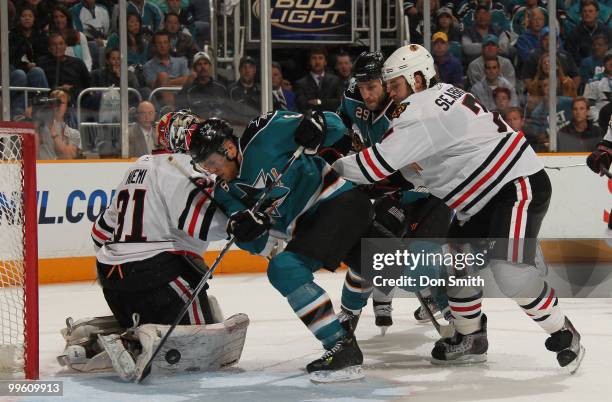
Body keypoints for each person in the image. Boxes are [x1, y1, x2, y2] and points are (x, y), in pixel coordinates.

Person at [331, 44, 585, 373]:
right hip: (479, 200)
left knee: (509, 273)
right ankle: (471, 338)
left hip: (513, 186)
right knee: (456, 267)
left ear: (417, 79)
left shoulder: (417, 111)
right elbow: (413, 170)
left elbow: (375, 166)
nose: (391, 93)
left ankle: (563, 332)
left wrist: (329, 167)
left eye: (395, 85)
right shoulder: (443, 94)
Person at [59, 111, 248, 380]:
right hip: (160, 279)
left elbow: (100, 232)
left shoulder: (136, 168)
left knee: (161, 311)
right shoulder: (183, 167)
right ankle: (134, 344)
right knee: (205, 338)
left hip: (112, 283)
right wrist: (241, 221)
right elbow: (206, 225)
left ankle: (93, 339)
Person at [187, 110, 375, 382]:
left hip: (338, 202)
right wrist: (248, 230)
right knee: (397, 268)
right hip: (312, 229)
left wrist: (318, 127)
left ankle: (343, 346)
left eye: (211, 162)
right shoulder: (225, 192)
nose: (211, 171)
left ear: (228, 148)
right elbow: (250, 238)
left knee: (285, 267)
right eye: (204, 166)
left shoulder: (265, 133)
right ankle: (453, 304)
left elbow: (337, 125)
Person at [335, 51, 453, 334]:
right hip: (395, 190)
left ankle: (460, 320)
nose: (366, 94)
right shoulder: (352, 97)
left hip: (431, 195)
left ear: (387, 84)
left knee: (427, 262)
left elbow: (422, 166)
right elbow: (339, 130)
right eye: (362, 86)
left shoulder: (410, 108)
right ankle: (349, 312)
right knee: (370, 250)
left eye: (372, 87)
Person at [38, 33, 91, 103]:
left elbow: (87, 86)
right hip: (51, 99)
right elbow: (41, 87)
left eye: (61, 44)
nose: (58, 47)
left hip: (75, 99)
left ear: (66, 46)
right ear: (49, 48)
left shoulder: (78, 63)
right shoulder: (42, 63)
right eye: (54, 45)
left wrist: (71, 89)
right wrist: (57, 89)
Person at [177, 51, 229, 117]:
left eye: (205, 63)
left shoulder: (221, 88)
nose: (203, 67)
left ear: (210, 66)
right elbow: (181, 114)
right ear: (194, 68)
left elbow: (230, 110)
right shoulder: (188, 90)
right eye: (199, 64)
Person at [36, 89, 82, 160]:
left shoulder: (74, 133)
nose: (58, 106)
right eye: (55, 102)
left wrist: (54, 135)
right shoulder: (39, 128)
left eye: (61, 103)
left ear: (67, 106)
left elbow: (69, 156)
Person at [295, 48, 344, 113]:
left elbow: (338, 102)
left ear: (325, 62)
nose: (317, 62)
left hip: (331, 118)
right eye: (314, 58)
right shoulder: (301, 83)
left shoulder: (335, 81)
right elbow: (302, 105)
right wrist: (329, 102)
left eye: (320, 58)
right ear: (309, 62)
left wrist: (319, 102)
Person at [50, 5, 93, 71]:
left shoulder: (79, 35)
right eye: (56, 17)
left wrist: (85, 72)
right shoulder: (50, 38)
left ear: (67, 18)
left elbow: (87, 59)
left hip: (81, 72)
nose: (59, 20)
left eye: (62, 16)